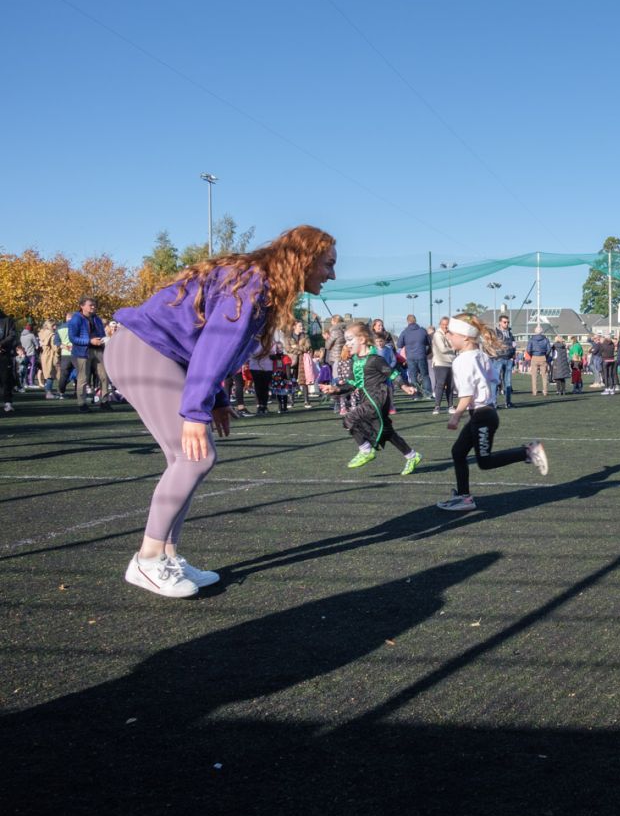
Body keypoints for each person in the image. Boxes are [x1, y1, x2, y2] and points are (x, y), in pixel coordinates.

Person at [105, 224, 337, 597]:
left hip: (154, 354)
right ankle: (147, 559)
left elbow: (217, 349)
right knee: (195, 458)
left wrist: (218, 401)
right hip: (144, 351)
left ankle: (166, 555)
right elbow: (213, 346)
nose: (332, 274)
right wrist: (197, 411)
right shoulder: (254, 284)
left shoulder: (260, 283)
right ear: (305, 260)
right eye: (328, 264)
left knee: (185, 460)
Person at [437, 314, 548, 512]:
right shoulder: (480, 354)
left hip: (482, 416)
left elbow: (467, 395)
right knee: (458, 452)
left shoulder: (462, 360)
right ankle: (464, 497)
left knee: (485, 462)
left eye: (451, 333)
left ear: (465, 337)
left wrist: (455, 416)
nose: (448, 337)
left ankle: (528, 452)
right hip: (484, 413)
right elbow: (493, 380)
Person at [320, 321, 421, 474]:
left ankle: (366, 449)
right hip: (366, 398)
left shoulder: (375, 359)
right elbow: (353, 384)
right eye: (346, 340)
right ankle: (412, 455)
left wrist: (405, 386)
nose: (347, 344)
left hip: (378, 398)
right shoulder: (355, 361)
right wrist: (335, 389)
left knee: (350, 418)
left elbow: (393, 373)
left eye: (350, 339)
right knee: (387, 432)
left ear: (361, 340)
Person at [69, 296, 113, 412]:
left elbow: (101, 333)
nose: (93, 307)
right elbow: (72, 338)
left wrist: (104, 340)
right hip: (83, 352)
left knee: (104, 376)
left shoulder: (97, 319)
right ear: (82, 306)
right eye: (90, 305)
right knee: (83, 378)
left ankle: (104, 401)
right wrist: (89, 341)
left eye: (94, 305)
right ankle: (82, 403)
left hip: (98, 350)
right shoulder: (76, 319)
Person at [396, 314, 431, 401]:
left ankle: (416, 395)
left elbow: (399, 344)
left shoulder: (405, 332)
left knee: (413, 377)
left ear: (407, 321)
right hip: (422, 355)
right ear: (415, 320)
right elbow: (429, 342)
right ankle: (428, 395)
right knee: (425, 375)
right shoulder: (422, 331)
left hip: (410, 357)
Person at [431, 316, 457, 414]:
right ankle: (437, 407)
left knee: (451, 385)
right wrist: (453, 348)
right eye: (443, 325)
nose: (445, 327)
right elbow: (442, 349)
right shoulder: (437, 335)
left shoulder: (451, 334)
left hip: (451, 362)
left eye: (447, 325)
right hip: (440, 362)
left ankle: (450, 406)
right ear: (440, 325)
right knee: (440, 385)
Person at [493, 314, 517, 408]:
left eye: (508, 322)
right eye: (504, 322)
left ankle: (508, 402)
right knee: (495, 382)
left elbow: (514, 344)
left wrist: (513, 354)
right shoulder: (495, 333)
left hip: (508, 360)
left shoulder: (510, 333)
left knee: (508, 382)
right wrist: (495, 356)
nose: (506, 324)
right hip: (498, 360)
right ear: (500, 322)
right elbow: (490, 345)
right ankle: (494, 403)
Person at [38, 318, 60, 399]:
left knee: (46, 374)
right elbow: (55, 347)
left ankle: (48, 391)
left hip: (44, 355)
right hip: (50, 355)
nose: (55, 327)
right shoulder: (52, 335)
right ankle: (49, 393)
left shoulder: (41, 333)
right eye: (53, 325)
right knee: (51, 374)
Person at [526, 325, 551, 397]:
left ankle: (534, 391)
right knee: (544, 376)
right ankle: (545, 391)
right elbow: (549, 349)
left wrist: (532, 355)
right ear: (542, 331)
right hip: (543, 357)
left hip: (534, 357)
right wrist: (545, 355)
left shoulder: (531, 339)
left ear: (535, 331)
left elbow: (528, 349)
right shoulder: (546, 339)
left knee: (534, 376)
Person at [0, 306, 16, 412]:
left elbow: (12, 335)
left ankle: (8, 402)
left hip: (4, 354)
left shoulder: (7, 320)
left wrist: (1, 344)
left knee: (6, 379)